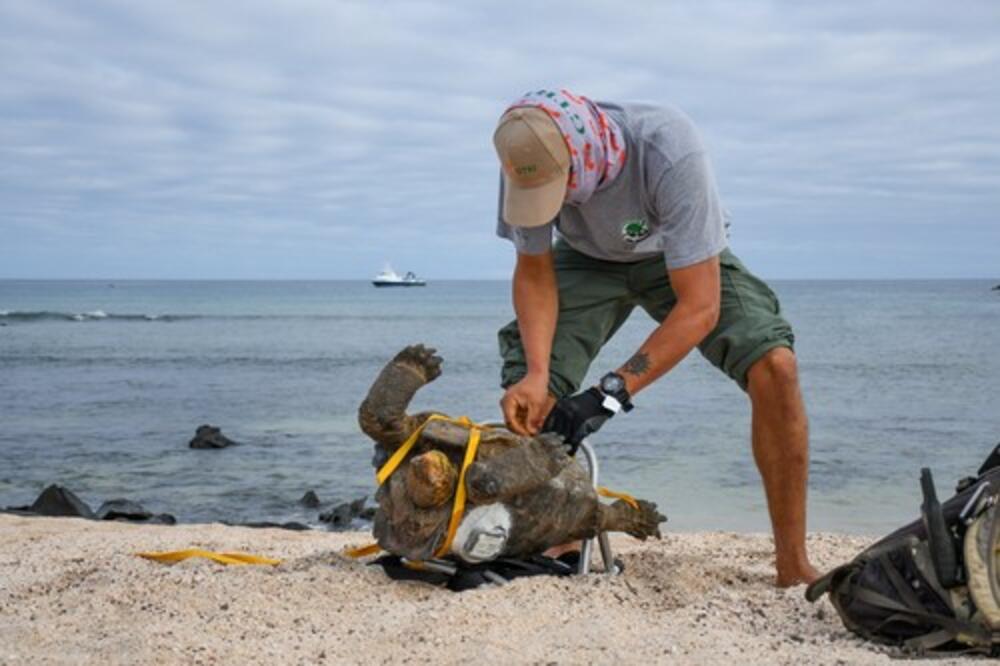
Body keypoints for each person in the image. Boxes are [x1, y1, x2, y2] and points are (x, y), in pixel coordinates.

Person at [492, 88, 819, 587]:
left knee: (774, 364)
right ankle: (561, 534)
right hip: (585, 258)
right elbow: (534, 272)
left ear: (587, 160)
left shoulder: (668, 148)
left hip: (679, 257)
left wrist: (609, 396)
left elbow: (700, 307)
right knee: (528, 394)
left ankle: (792, 564)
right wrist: (538, 374)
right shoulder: (524, 156)